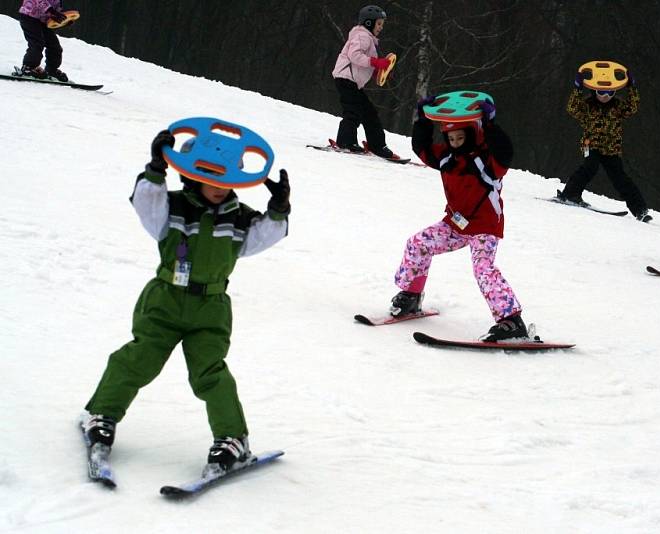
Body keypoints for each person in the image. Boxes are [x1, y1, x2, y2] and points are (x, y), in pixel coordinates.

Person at [81, 130, 291, 476]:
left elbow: (263, 237)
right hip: (164, 301)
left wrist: (279, 208)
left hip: (211, 309)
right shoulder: (172, 207)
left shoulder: (240, 217)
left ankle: (232, 440)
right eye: (210, 174)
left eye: (227, 176)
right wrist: (155, 168)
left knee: (210, 372)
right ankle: (101, 413)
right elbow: (146, 203)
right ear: (192, 173)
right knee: (139, 359)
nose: (219, 184)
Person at [390, 96, 528, 342]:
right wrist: (422, 120)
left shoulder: (488, 160)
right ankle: (411, 296)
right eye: (451, 139)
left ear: (472, 134)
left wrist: (489, 124)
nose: (455, 143)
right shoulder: (446, 157)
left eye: (460, 138)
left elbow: (505, 152)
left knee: (483, 269)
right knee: (417, 243)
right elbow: (421, 148)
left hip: (484, 227)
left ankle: (511, 321)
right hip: (454, 225)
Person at [559, 70, 651, 221]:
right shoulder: (588, 105)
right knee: (589, 167)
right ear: (594, 90)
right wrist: (577, 88)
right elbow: (572, 108)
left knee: (620, 178)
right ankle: (570, 194)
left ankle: (640, 210)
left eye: (610, 92)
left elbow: (633, 107)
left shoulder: (618, 106)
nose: (605, 96)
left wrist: (631, 87)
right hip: (591, 145)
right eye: (601, 92)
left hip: (611, 149)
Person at [331, 5, 398, 159]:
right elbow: (354, 56)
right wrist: (376, 63)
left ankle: (378, 145)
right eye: (379, 24)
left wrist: (378, 73)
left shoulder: (369, 40)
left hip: (352, 82)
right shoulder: (362, 36)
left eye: (382, 24)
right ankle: (346, 142)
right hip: (345, 79)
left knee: (369, 113)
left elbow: (364, 64)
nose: (381, 27)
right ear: (369, 23)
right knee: (352, 112)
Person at [17, 0, 70, 81]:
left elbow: (55, 10)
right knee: (37, 43)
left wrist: (64, 19)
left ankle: (51, 70)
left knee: (55, 47)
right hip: (29, 16)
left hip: (43, 21)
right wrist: (51, 11)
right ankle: (29, 67)